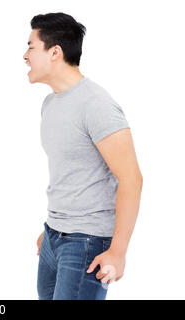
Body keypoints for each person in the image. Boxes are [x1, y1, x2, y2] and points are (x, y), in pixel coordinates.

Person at [23, 13, 143, 300]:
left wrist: (118, 251)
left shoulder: (96, 105)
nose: (24, 55)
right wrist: (53, 228)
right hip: (54, 237)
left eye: (30, 46)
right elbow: (74, 172)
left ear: (55, 52)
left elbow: (132, 179)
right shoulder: (50, 103)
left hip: (87, 244)